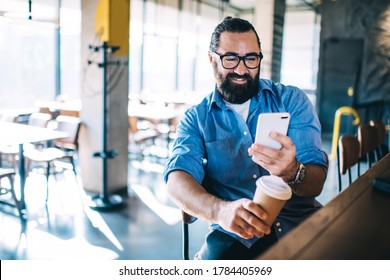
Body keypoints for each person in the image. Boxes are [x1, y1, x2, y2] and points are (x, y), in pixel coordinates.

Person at [163, 16, 328, 260]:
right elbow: (176, 179)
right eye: (230, 58)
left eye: (251, 58)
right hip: (233, 230)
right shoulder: (196, 119)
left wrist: (293, 171)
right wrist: (220, 211)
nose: (242, 70)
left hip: (298, 220)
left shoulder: (292, 101)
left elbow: (316, 183)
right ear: (212, 59)